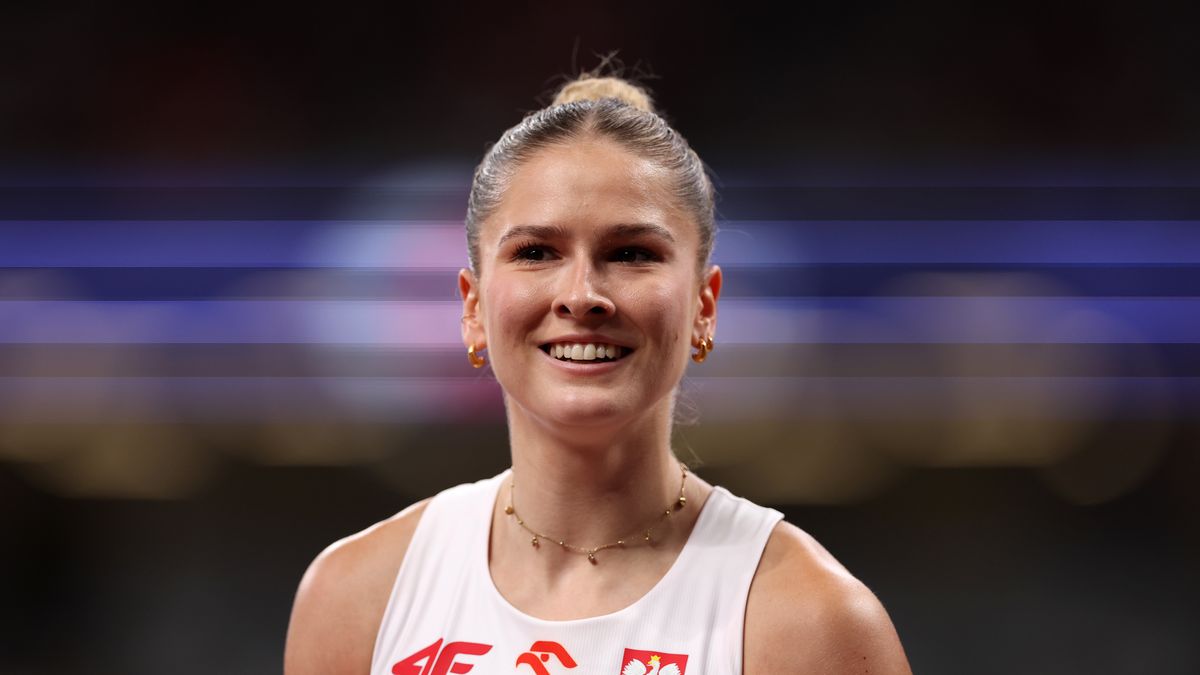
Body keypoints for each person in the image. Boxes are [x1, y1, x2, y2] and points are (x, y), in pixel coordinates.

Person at [284, 73, 912, 675]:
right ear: (472, 309)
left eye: (631, 253)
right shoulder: (357, 596)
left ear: (704, 306)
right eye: (536, 253)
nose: (581, 295)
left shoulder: (809, 622)